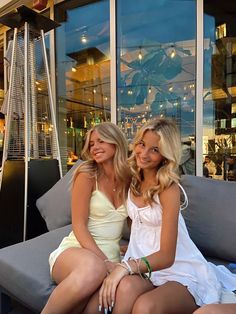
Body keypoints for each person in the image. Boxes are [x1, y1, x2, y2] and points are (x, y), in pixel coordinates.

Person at [84, 118, 236, 314]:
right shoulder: (131, 180)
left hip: (178, 268)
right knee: (122, 289)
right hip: (144, 265)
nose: (144, 154)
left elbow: (167, 256)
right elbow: (137, 222)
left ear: (165, 155)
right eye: (142, 144)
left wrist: (125, 267)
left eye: (154, 150)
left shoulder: (168, 189)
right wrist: (130, 247)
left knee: (144, 307)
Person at [41, 122, 131, 314]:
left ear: (117, 143)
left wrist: (132, 249)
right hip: (76, 251)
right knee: (94, 269)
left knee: (101, 303)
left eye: (101, 141)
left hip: (111, 256)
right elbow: (79, 225)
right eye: (91, 144)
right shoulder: (87, 174)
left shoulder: (130, 179)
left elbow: (135, 224)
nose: (95, 147)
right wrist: (105, 262)